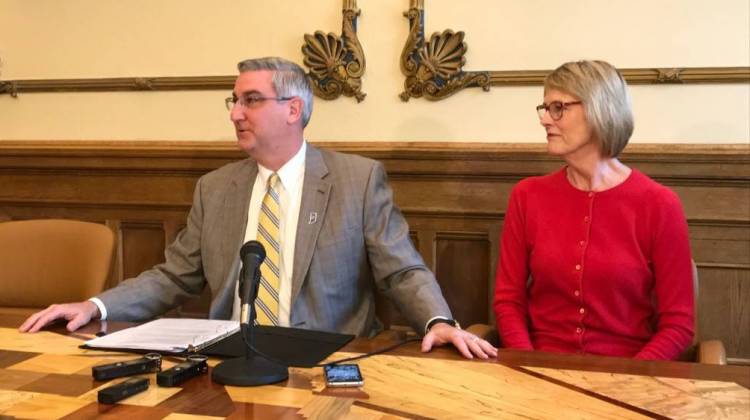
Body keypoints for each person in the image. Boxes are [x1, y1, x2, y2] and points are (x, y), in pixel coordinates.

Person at [20, 57, 496, 360]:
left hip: (328, 357)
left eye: (250, 100)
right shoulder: (216, 188)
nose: (234, 113)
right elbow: (174, 276)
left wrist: (438, 321)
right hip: (226, 355)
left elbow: (401, 271)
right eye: (234, 100)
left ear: (294, 109)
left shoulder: (357, 180)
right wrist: (95, 304)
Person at [493, 60, 694, 360]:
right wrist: (530, 366)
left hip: (629, 379)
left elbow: (679, 325)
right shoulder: (527, 196)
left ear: (600, 110)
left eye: (558, 108)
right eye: (545, 108)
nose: (545, 119)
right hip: (538, 376)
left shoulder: (659, 204)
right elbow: (508, 302)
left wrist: (629, 381)